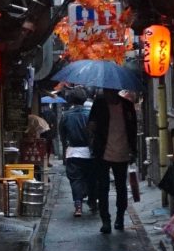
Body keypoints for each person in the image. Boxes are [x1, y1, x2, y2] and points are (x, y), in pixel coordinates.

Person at [88, 86, 141, 234]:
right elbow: (91, 125)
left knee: (121, 187)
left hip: (122, 152)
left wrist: (133, 150)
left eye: (108, 91)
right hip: (102, 152)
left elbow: (133, 129)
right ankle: (106, 220)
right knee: (103, 187)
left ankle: (120, 218)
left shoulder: (127, 105)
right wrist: (92, 128)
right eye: (105, 91)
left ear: (115, 91)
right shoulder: (99, 104)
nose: (106, 93)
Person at [59, 95, 93, 216]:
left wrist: (65, 147)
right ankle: (93, 201)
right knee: (90, 178)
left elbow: (62, 135)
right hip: (89, 152)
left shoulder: (66, 115)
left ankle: (78, 206)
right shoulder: (90, 114)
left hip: (73, 152)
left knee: (75, 180)